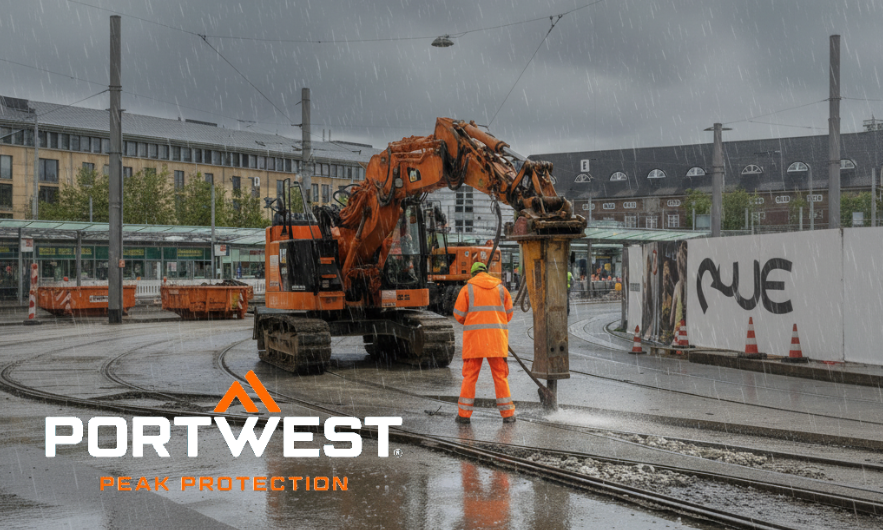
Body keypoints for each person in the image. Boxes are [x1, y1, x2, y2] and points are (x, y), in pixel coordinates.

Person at [453, 262, 515, 424]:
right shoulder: (501, 289)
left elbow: (459, 315)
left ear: (473, 274)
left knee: (469, 377)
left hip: (475, 342)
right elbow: (508, 314)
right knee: (500, 377)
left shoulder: (467, 289)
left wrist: (474, 320)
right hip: (496, 341)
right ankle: (508, 415)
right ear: (486, 272)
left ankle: (464, 416)